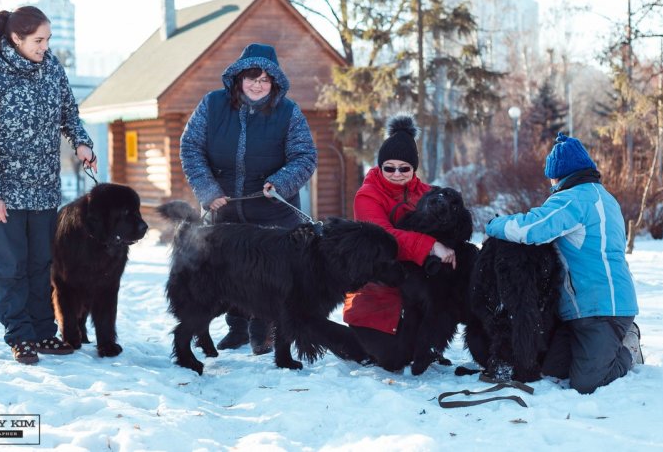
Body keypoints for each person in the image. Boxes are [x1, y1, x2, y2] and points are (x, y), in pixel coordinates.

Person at [0, 6, 98, 365]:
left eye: (48, 39)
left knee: (42, 264)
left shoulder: (51, 69)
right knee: (11, 268)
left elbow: (70, 112)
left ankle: (43, 332)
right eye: (38, 40)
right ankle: (19, 335)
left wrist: (81, 141)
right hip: (4, 195)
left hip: (43, 191)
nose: (45, 46)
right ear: (16, 39)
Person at [180, 43, 317, 355]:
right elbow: (191, 147)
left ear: (275, 83)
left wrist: (279, 183)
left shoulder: (289, 112)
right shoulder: (212, 105)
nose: (258, 83)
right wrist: (208, 191)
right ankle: (237, 329)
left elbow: (304, 156)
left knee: (269, 275)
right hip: (225, 207)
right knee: (229, 270)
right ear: (239, 77)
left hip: (273, 211)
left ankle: (264, 329)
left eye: (266, 79)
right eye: (252, 76)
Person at [485, 132, 642, 394]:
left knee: (588, 383)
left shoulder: (574, 198)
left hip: (602, 308)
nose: (551, 184)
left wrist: (493, 225)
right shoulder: (602, 196)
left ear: (558, 175)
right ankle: (605, 345)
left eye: (551, 178)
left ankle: (629, 344)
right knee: (553, 369)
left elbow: (531, 229)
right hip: (586, 308)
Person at [342, 115, 456, 369]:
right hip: (376, 291)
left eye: (403, 168)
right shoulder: (367, 196)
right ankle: (353, 341)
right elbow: (383, 237)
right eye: (389, 167)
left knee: (415, 350)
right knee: (393, 360)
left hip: (412, 292)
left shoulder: (427, 194)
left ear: (414, 169)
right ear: (380, 166)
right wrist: (430, 245)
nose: (396, 174)